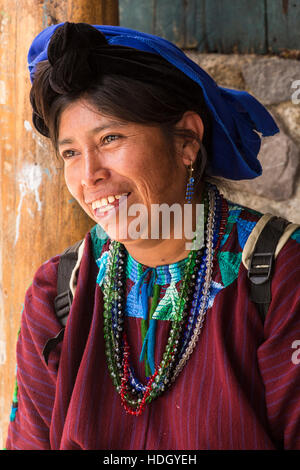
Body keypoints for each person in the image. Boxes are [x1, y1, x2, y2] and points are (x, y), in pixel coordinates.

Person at [5, 22, 300, 450]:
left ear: (187, 139)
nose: (89, 175)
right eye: (70, 152)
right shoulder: (58, 292)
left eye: (110, 138)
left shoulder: (277, 275)